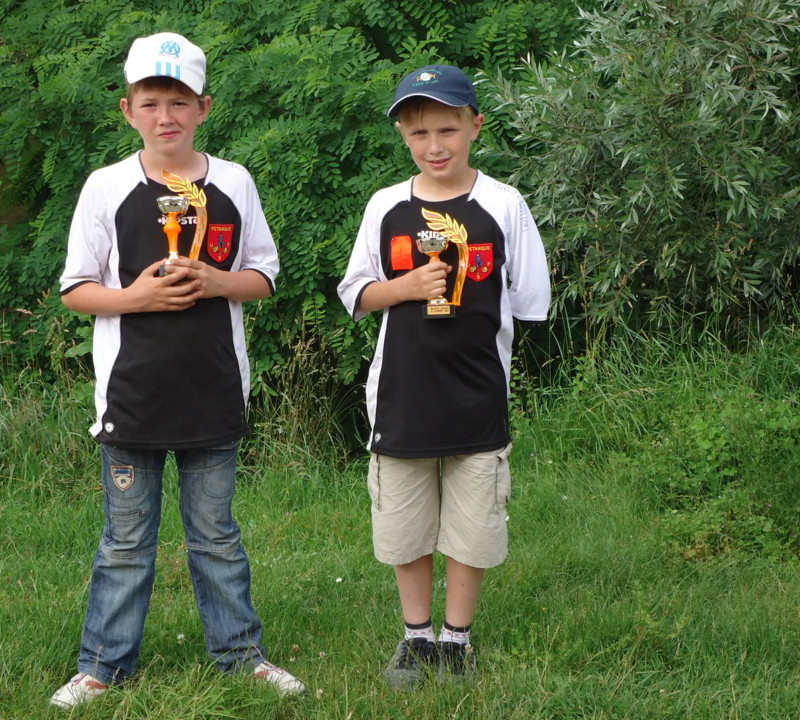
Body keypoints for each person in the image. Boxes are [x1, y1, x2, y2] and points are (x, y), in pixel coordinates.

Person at [51, 32, 306, 709]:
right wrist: (134, 298)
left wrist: (218, 281)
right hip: (132, 399)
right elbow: (76, 289)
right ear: (127, 109)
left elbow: (264, 277)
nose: (166, 115)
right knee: (126, 541)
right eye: (151, 102)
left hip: (214, 395)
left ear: (204, 107)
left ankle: (241, 656)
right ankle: (102, 667)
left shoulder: (234, 182)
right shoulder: (105, 187)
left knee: (216, 536)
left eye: (180, 102)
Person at [337, 65, 550, 688]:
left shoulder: (504, 204)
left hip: (478, 398)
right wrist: (403, 287)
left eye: (449, 129)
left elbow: (529, 299)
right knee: (404, 526)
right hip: (400, 399)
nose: (436, 145)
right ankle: (415, 638)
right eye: (421, 131)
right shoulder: (386, 206)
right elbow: (355, 292)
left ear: (475, 126)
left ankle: (457, 639)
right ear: (404, 134)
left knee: (473, 526)